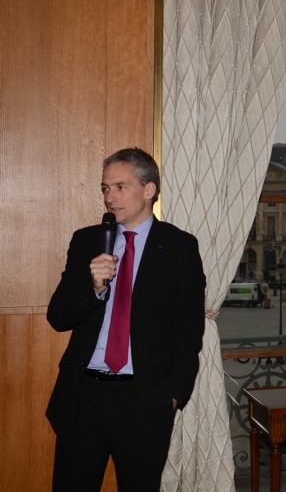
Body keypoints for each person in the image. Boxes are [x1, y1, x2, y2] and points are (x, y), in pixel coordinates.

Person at [46, 148, 206, 491]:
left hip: (144, 399)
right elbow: (58, 316)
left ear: (148, 190)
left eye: (120, 187)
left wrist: (174, 394)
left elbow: (189, 330)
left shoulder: (179, 247)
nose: (109, 197)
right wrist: (94, 288)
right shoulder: (87, 240)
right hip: (83, 395)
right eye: (105, 188)